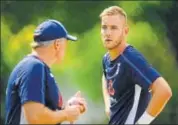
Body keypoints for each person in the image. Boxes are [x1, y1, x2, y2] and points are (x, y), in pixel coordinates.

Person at [5, 19, 87, 124]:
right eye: (66, 43)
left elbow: (44, 112)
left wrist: (68, 107)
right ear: (57, 44)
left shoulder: (39, 68)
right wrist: (66, 114)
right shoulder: (33, 66)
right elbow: (35, 117)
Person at [100, 6, 172, 124]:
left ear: (125, 31)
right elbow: (105, 76)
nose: (108, 33)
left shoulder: (131, 59)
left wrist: (141, 123)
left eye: (114, 28)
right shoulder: (107, 58)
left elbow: (163, 91)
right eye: (104, 27)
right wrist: (108, 105)